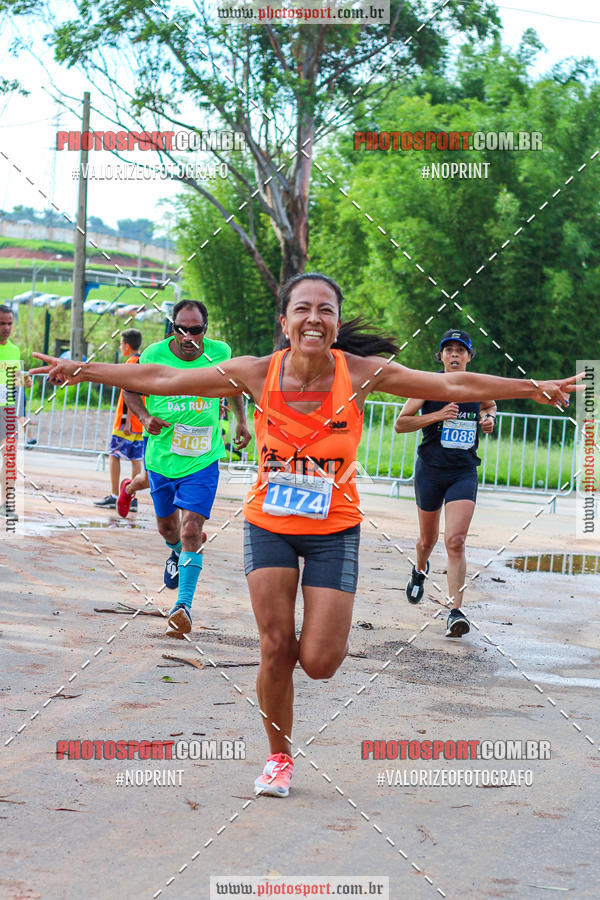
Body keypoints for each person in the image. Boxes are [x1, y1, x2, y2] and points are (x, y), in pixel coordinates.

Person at [31, 272, 581, 799]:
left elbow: (451, 384)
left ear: (336, 325)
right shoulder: (254, 371)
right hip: (269, 523)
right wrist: (81, 369)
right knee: (274, 646)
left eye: (325, 310)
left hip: (333, 530)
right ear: (285, 320)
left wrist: (534, 389)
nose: (314, 318)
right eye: (303, 309)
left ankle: (299, 664)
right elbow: (161, 379)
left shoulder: (363, 372)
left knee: (318, 661)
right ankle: (278, 756)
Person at [105, 300, 251, 637]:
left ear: (206, 329)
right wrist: (143, 417)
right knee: (168, 530)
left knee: (191, 531)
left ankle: (182, 607)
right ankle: (175, 555)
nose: (187, 335)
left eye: (195, 329)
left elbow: (233, 386)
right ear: (173, 327)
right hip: (161, 458)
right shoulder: (154, 355)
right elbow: (130, 388)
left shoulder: (220, 352)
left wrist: (241, 422)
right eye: (180, 328)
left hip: (203, 459)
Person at [395, 329, 496, 638]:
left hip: (463, 472)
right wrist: (437, 414)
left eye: (460, 350)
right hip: (430, 471)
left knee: (456, 541)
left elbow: (490, 406)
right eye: (448, 350)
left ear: (469, 356)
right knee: (427, 541)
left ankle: (455, 611)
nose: (454, 355)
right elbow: (401, 423)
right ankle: (420, 570)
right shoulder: (428, 386)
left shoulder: (478, 387)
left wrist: (490, 419)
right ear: (440, 357)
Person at [94, 329, 145, 511]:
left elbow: (131, 391)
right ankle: (131, 497)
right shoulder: (143, 362)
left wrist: (129, 420)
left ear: (128, 345)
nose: (120, 347)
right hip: (140, 420)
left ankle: (116, 495)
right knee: (135, 458)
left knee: (114, 455)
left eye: (121, 344)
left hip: (126, 420)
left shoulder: (130, 363)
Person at [0, 304, 31, 519]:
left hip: (7, 408)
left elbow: (13, 378)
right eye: (2, 323)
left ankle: (7, 504)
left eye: (9, 323)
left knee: (10, 457)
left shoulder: (14, 349)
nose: (6, 328)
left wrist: (25, 380)